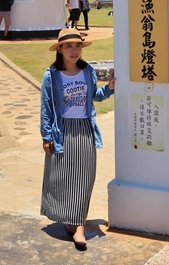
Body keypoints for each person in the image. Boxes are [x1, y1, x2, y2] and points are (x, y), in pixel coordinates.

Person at [40, 28, 115, 248]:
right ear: (60, 49)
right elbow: (46, 108)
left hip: (84, 130)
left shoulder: (87, 71)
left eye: (78, 46)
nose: (74, 51)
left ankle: (79, 227)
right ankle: (72, 220)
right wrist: (46, 136)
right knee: (63, 177)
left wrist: (108, 89)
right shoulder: (51, 74)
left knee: (84, 177)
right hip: (62, 131)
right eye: (69, 46)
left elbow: (94, 97)